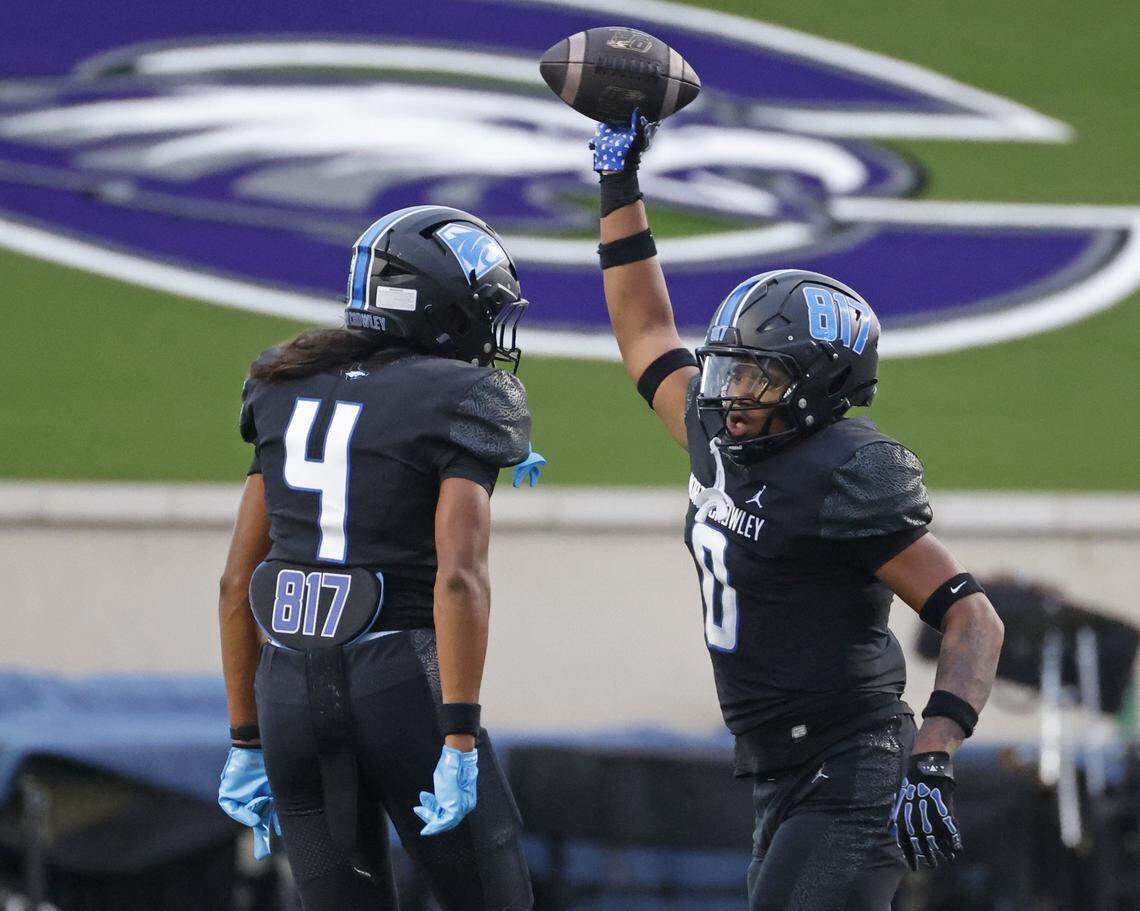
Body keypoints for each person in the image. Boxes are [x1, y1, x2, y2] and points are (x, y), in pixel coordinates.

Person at [588, 113, 1005, 908]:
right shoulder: (719, 431)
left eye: (760, 377)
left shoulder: (843, 471)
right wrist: (619, 182)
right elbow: (645, 328)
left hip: (853, 766)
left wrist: (935, 751)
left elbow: (972, 615)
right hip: (778, 771)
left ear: (819, 387)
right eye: (730, 370)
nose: (733, 394)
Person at [216, 205, 542, 911]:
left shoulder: (280, 380)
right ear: (441, 307)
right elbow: (459, 579)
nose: (492, 330)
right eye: (485, 311)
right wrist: (458, 734)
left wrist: (245, 737)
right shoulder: (468, 396)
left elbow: (237, 580)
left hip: (287, 695)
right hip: (400, 687)